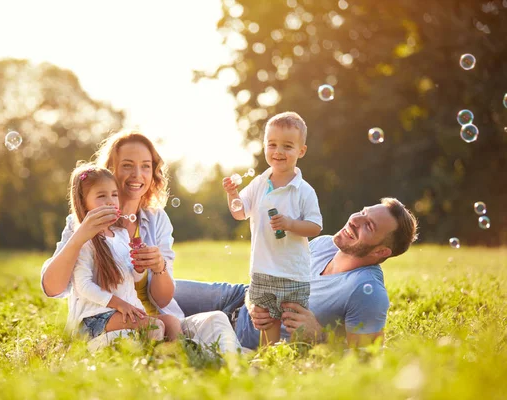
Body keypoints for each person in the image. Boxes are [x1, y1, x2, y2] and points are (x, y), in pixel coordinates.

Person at [41, 130, 240, 352]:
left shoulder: (156, 219)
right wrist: (80, 236)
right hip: (108, 323)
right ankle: (183, 357)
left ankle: (236, 368)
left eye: (146, 166)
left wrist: (159, 267)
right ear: (110, 170)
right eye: (127, 165)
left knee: (216, 320)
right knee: (152, 336)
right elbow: (52, 288)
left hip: (158, 319)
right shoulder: (82, 222)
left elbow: (163, 301)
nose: (138, 174)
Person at [173, 198, 418, 349]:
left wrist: (320, 337)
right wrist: (253, 298)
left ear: (381, 251)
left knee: (163, 327)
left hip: (247, 334)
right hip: (237, 297)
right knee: (155, 289)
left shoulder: (368, 292)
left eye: (369, 225)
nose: (355, 219)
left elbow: (367, 363)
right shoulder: (324, 244)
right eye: (363, 212)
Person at [222, 111, 322, 346]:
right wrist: (232, 194)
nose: (278, 152)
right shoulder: (259, 183)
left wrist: (290, 224)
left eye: (287, 146)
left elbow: (315, 226)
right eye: (272, 144)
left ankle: (301, 357)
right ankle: (270, 359)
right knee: (266, 321)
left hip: (293, 272)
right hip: (263, 269)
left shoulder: (304, 190)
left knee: (294, 320)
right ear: (265, 146)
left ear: (301, 151)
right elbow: (239, 212)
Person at [66, 163, 182, 341]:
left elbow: (132, 278)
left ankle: (174, 358)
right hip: (95, 316)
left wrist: (139, 266)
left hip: (122, 311)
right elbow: (83, 285)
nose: (110, 201)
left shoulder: (121, 234)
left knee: (172, 322)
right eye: (101, 196)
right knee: (154, 326)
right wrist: (118, 304)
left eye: (114, 194)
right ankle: (154, 361)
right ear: (83, 202)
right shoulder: (83, 240)